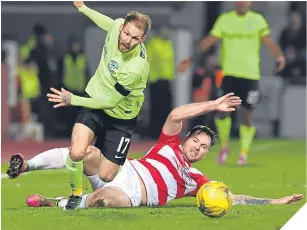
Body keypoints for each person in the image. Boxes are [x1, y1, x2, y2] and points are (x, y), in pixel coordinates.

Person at [6, 94, 303, 208]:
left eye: (203, 149)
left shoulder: (196, 180)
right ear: (185, 139)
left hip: (133, 195)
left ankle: (53, 203)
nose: (197, 149)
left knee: (104, 201)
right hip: (123, 170)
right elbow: (176, 114)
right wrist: (212, 105)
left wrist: (275, 201)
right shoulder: (168, 143)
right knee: (86, 153)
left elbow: (230, 197)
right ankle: (26, 166)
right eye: (195, 142)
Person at [46, 1, 151, 210]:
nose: (128, 41)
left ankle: (128, 170)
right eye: (126, 34)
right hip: (94, 101)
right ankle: (76, 193)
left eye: (135, 38)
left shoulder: (137, 66)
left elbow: (111, 102)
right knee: (76, 153)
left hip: (121, 117)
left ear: (142, 39)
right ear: (122, 28)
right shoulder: (117, 26)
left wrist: (72, 100)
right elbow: (108, 23)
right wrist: (83, 9)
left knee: (106, 175)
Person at [178, 1, 286, 165]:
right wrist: (191, 59)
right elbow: (209, 40)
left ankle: (243, 152)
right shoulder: (225, 20)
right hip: (228, 74)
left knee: (247, 114)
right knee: (223, 111)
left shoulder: (257, 20)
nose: (242, 3)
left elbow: (268, 40)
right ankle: (224, 147)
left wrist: (279, 56)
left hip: (250, 75)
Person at [146, 24, 175, 139]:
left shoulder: (168, 44)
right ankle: (155, 132)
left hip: (167, 79)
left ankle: (166, 132)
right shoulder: (152, 44)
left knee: (167, 108)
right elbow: (148, 61)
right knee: (157, 108)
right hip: (156, 80)